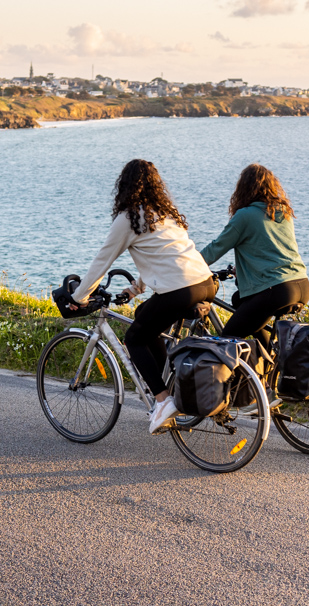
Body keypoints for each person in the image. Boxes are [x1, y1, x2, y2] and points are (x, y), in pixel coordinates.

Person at [70, 159, 218, 434]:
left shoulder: (129, 218)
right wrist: (136, 289)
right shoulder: (164, 213)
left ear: (124, 186)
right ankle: (171, 387)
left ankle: (163, 402)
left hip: (180, 289)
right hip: (204, 282)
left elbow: (102, 260)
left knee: (134, 338)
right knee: (143, 318)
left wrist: (80, 296)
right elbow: (167, 256)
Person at [200, 164, 309, 339]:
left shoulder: (245, 215)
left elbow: (215, 248)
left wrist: (188, 264)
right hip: (301, 284)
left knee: (228, 338)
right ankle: (268, 359)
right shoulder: (282, 211)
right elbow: (270, 248)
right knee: (239, 301)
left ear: (243, 188)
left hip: (277, 289)